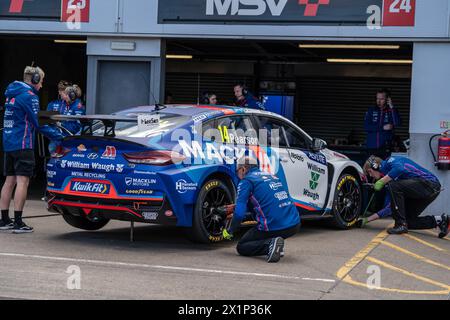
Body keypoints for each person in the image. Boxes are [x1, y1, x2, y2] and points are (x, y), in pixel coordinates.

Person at [0, 66, 63, 233]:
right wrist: (59, 137)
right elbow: (37, 123)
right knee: (23, 181)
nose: (41, 86)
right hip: (23, 144)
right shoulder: (30, 96)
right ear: (34, 80)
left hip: (9, 143)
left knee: (9, 181)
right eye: (41, 81)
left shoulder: (11, 94)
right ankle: (19, 222)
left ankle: (4, 220)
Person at [222, 157, 301, 263]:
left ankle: (270, 245)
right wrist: (237, 207)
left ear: (243, 169)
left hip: (275, 226)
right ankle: (276, 244)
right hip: (294, 224)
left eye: (237, 171)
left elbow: (239, 215)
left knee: (242, 246)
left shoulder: (246, 181)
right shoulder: (272, 176)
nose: (238, 175)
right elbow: (268, 202)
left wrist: (230, 231)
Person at [363, 155, 449, 237]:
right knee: (407, 221)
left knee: (393, 186)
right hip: (426, 190)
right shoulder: (391, 178)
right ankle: (440, 220)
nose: (370, 175)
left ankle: (400, 225)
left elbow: (399, 168)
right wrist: (367, 219)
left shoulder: (390, 161)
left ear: (375, 166)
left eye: (369, 171)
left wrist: (382, 181)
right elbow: (392, 207)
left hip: (430, 184)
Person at [44, 84, 86, 154]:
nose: (64, 97)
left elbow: (77, 126)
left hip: (70, 140)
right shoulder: (66, 104)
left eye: (66, 95)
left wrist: (61, 124)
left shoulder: (78, 107)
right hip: (62, 138)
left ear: (72, 96)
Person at [364, 89, 401, 159]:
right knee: (372, 168)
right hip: (372, 148)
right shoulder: (371, 110)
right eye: (377, 98)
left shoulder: (391, 110)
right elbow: (366, 127)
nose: (379, 101)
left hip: (386, 148)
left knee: (384, 168)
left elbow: (397, 123)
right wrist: (382, 128)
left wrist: (391, 107)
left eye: (381, 99)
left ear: (387, 99)